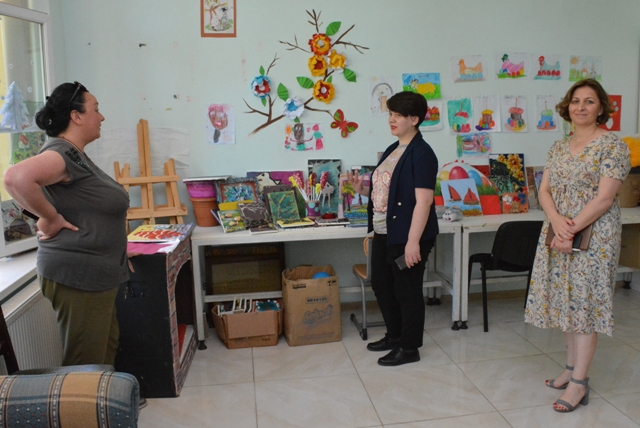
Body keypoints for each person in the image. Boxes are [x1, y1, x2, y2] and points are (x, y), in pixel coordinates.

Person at [3, 82, 131, 367]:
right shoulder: (60, 153)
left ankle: (101, 398)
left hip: (96, 272)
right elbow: (15, 178)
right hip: (80, 274)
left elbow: (88, 210)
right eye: (96, 109)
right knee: (85, 363)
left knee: (103, 352)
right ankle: (82, 400)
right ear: (76, 116)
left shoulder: (75, 155)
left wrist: (119, 251)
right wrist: (50, 217)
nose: (101, 117)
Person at [525, 79, 630, 412]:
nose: (580, 107)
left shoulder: (613, 145)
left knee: (583, 306)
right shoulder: (558, 146)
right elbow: (544, 190)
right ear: (567, 107)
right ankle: (570, 369)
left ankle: (580, 384)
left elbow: (604, 198)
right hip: (558, 232)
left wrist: (569, 229)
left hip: (594, 236)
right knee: (564, 302)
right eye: (575, 101)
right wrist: (557, 222)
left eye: (589, 101)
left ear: (601, 108)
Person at [348, 91, 439, 366]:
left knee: (406, 292)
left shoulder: (422, 153)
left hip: (407, 235)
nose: (392, 119)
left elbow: (424, 201)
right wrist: (362, 190)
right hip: (384, 232)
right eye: (390, 114)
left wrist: (413, 242)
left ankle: (409, 348)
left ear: (415, 119)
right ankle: (395, 336)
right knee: (382, 285)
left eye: (398, 115)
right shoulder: (393, 149)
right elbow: (389, 192)